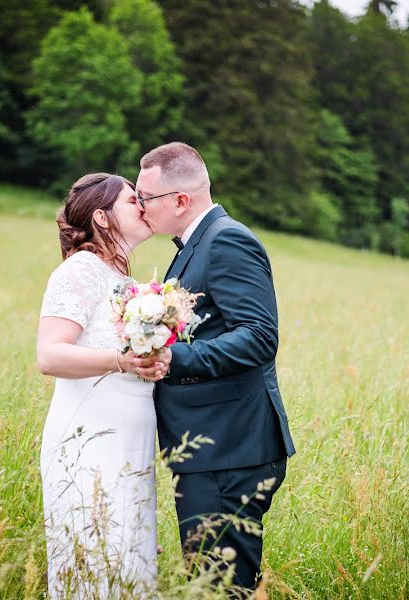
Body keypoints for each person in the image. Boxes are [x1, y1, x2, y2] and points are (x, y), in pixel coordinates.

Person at [136, 142, 295, 592]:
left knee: (220, 587)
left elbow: (261, 336)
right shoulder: (193, 244)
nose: (140, 206)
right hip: (214, 446)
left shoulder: (226, 240)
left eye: (146, 198)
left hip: (231, 448)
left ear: (181, 201)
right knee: (210, 582)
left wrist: (173, 358)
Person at [36, 173, 171, 599]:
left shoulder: (131, 285)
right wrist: (120, 360)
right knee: (92, 566)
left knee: (127, 569)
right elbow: (50, 355)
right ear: (103, 217)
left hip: (131, 443)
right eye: (134, 200)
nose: (145, 206)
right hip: (88, 442)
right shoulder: (81, 271)